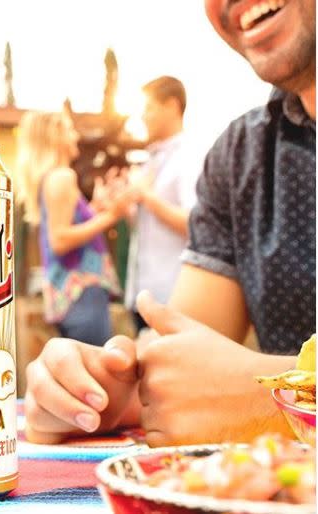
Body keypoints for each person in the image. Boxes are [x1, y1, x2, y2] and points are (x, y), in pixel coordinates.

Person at [24, 0, 316, 447]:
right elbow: (188, 368)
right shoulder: (240, 156)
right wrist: (106, 394)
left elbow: (237, 394)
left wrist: (271, 397)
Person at [15, 110, 130, 346]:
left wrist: (97, 208)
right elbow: (60, 240)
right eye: (69, 130)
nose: (75, 135)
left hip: (71, 296)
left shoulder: (52, 178)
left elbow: (71, 227)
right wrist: (112, 216)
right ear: (55, 137)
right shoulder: (62, 177)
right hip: (82, 293)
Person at [125, 76, 200, 332]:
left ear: (171, 105)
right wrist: (127, 208)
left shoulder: (190, 156)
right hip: (141, 292)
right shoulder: (150, 160)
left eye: (149, 109)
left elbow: (195, 224)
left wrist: (146, 196)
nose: (143, 117)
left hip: (173, 296)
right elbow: (149, 227)